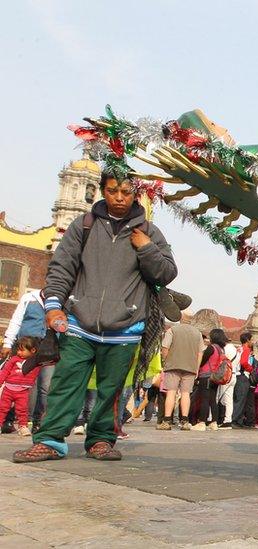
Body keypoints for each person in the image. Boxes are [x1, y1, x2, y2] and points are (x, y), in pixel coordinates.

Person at [13, 173, 177, 463]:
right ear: (103, 191)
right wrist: (53, 307)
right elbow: (62, 267)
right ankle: (50, 440)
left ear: (135, 194)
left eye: (126, 192)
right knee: (65, 383)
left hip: (124, 328)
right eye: (112, 191)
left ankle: (101, 439)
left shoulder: (150, 232)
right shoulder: (84, 225)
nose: (118, 197)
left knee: (111, 390)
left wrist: (147, 248)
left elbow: (166, 273)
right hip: (79, 322)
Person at [1, 290, 51, 431]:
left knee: (45, 385)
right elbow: (16, 320)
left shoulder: (60, 299)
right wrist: (7, 343)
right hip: (26, 346)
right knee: (16, 381)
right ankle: (8, 421)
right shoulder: (29, 297)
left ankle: (38, 422)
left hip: (47, 347)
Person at [157, 322, 205, 430]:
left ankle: (167, 421)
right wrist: (196, 367)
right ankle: (185, 421)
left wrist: (166, 361)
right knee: (186, 394)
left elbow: (165, 347)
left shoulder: (172, 330)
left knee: (171, 393)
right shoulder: (198, 333)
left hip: (173, 365)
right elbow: (200, 352)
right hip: (190, 367)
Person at [0, 337, 41, 435]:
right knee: (2, 408)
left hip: (23, 391)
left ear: (33, 350)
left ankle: (23, 426)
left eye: (22, 350)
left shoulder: (36, 362)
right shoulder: (14, 359)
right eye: (18, 350)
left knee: (22, 410)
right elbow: (5, 371)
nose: (19, 352)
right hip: (8, 389)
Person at [189, 329, 228, 431]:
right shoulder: (221, 349)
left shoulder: (211, 348)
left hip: (206, 375)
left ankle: (202, 422)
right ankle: (214, 422)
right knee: (212, 400)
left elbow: (202, 360)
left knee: (204, 399)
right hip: (216, 377)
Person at [231, 332, 256, 427]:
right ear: (248, 340)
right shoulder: (246, 349)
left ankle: (238, 420)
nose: (252, 342)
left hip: (236, 374)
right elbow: (244, 362)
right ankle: (234, 420)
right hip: (243, 375)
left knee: (237, 398)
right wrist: (251, 369)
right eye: (251, 339)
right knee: (241, 399)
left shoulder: (239, 349)